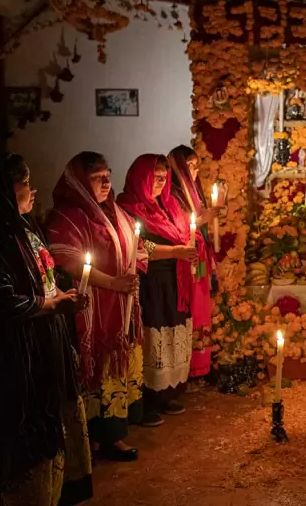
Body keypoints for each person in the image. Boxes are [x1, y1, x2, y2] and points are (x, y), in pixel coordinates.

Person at [0, 152, 91, 505]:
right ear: (2, 190)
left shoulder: (22, 227)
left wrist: (60, 293)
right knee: (12, 439)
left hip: (40, 341)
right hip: (7, 354)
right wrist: (53, 304)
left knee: (51, 418)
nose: (33, 189)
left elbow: (43, 275)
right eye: (25, 183)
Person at [47, 152, 144, 462]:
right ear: (78, 181)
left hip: (119, 303)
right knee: (92, 371)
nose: (106, 182)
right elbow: (71, 261)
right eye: (97, 177)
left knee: (112, 372)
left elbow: (135, 247)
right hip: (91, 306)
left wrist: (132, 269)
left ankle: (112, 436)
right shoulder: (68, 215)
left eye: (108, 174)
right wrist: (113, 283)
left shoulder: (113, 210)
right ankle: (88, 438)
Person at [117, 154, 199, 426]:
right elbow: (140, 247)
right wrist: (177, 251)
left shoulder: (167, 205)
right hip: (150, 281)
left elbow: (184, 234)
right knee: (153, 337)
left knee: (172, 335)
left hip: (174, 281)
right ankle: (146, 399)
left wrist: (188, 250)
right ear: (140, 177)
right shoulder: (127, 207)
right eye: (155, 178)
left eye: (164, 178)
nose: (159, 183)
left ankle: (165, 393)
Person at [168, 145, 216, 383]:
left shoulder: (194, 191)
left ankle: (201, 364)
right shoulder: (173, 193)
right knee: (193, 311)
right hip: (187, 259)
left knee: (202, 310)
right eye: (190, 166)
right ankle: (189, 368)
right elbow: (177, 226)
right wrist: (200, 219)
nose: (194, 171)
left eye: (197, 166)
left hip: (200, 258)